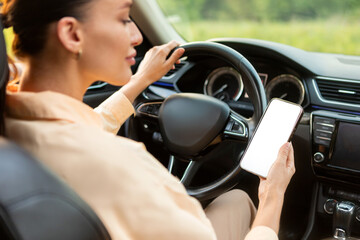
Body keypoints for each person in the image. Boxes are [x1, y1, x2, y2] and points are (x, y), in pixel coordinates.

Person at [0, 0, 295, 239]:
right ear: (72, 34)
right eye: (124, 18)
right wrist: (272, 196)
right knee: (242, 200)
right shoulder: (119, 162)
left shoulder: (14, 120)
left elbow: (78, 126)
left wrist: (140, 81)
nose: (138, 36)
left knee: (232, 202)